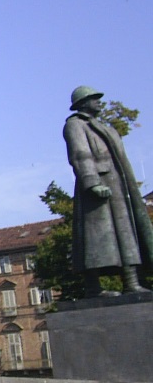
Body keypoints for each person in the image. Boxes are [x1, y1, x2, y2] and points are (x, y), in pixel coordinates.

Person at [63, 86, 153, 297]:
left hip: (117, 185)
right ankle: (93, 287)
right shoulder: (75, 125)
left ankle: (131, 282)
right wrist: (92, 181)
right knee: (95, 238)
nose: (99, 102)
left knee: (126, 234)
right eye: (94, 99)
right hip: (96, 186)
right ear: (82, 103)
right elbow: (80, 154)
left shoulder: (105, 128)